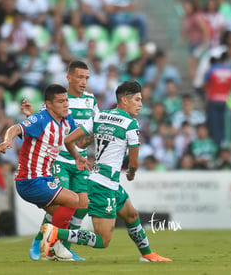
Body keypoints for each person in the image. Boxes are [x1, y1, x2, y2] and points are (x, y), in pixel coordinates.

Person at [39, 80, 172, 262]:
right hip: (105, 185)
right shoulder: (131, 124)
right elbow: (133, 162)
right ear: (124, 100)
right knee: (103, 240)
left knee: (132, 215)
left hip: (102, 180)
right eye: (137, 100)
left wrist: (78, 155)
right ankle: (55, 233)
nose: (140, 104)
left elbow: (70, 140)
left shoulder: (100, 116)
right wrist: (131, 174)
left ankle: (147, 254)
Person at [22, 60, 99, 261]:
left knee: (82, 205)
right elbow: (40, 123)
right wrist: (30, 115)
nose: (84, 81)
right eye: (80, 77)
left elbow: (95, 127)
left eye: (87, 78)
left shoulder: (91, 100)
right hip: (58, 159)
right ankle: (41, 240)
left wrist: (92, 138)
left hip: (79, 159)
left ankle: (63, 246)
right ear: (69, 78)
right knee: (61, 202)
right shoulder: (57, 98)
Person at [0, 84, 80, 260]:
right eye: (60, 101)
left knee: (59, 213)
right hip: (30, 180)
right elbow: (15, 128)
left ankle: (49, 250)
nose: (66, 104)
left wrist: (80, 155)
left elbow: (76, 141)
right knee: (74, 199)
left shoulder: (67, 121)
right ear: (49, 104)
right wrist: (7, 141)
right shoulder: (42, 119)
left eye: (66, 100)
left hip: (43, 178)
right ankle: (55, 245)